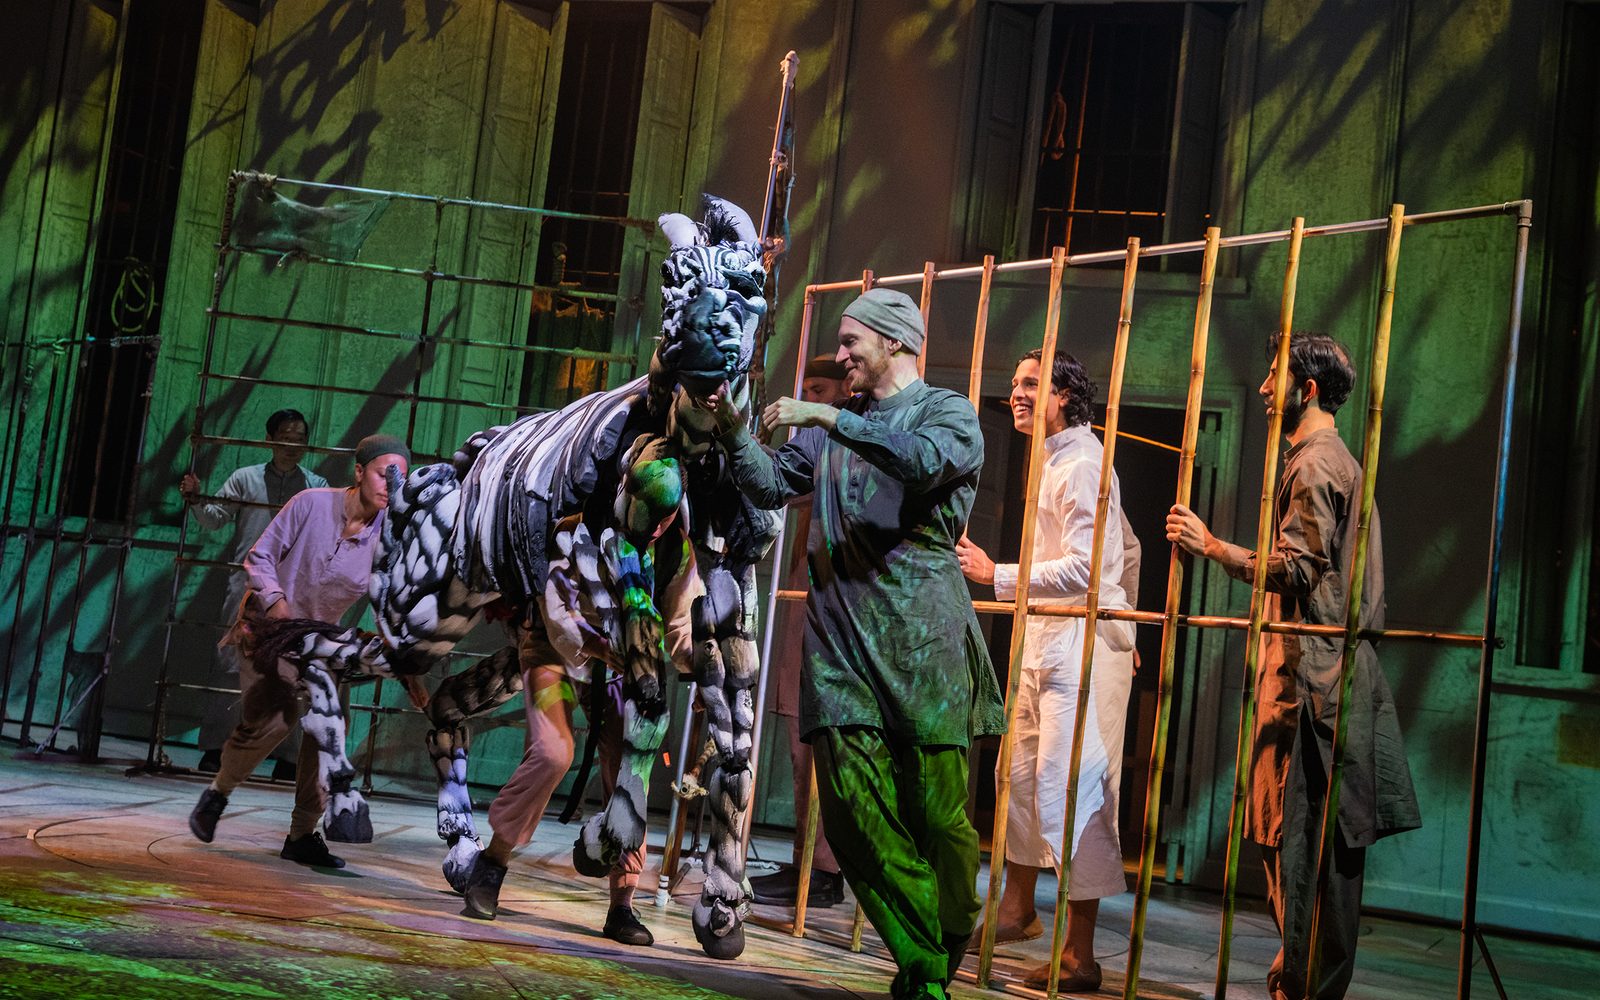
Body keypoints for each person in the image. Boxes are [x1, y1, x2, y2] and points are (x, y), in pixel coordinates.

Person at [703, 288, 1006, 1000]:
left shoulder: (948, 414)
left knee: (937, 818)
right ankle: (926, 965)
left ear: (896, 342)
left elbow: (922, 463)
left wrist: (830, 417)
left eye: (851, 343)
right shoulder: (834, 424)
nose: (840, 357)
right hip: (841, 642)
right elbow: (775, 484)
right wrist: (730, 431)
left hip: (922, 644)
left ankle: (946, 928)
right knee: (848, 807)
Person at [1165, 333, 1420, 1000]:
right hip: (1324, 679)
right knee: (1307, 854)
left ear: (1306, 389)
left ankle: (1300, 991)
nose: (1263, 390)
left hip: (1314, 688)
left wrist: (1212, 545)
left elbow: (1298, 568)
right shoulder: (1334, 459)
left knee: (1303, 854)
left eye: (1275, 376)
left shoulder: (1313, 464)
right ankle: (1300, 984)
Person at [956, 350, 1141, 992]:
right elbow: (1122, 548)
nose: (1017, 393)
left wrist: (996, 574)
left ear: (1066, 394)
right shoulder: (1058, 459)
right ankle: (1017, 910)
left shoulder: (1084, 462)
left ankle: (1079, 957)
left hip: (1075, 649)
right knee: (1023, 782)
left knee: (1072, 795)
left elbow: (1091, 574)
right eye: (1014, 383)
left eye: (1032, 383)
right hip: (1046, 645)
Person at [187, 434, 416, 870]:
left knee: (326, 732)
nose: (391, 484)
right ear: (358, 472)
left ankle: (302, 834)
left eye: (399, 476)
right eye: (382, 473)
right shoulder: (311, 503)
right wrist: (279, 607)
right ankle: (218, 791)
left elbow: (391, 599)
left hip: (322, 642)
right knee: (275, 721)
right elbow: (261, 556)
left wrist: (403, 662)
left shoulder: (389, 537)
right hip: (268, 629)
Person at [749, 354, 852, 909]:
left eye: (818, 389)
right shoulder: (816, 439)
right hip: (801, 598)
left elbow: (783, 485)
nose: (808, 398)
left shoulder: (841, 439)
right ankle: (809, 863)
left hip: (828, 604)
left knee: (820, 742)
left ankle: (824, 868)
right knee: (799, 744)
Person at [179, 408, 328, 775]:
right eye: (285, 438)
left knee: (293, 668)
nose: (293, 446)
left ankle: (288, 757)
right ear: (269, 440)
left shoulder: (317, 486)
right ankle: (217, 747)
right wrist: (196, 499)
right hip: (246, 586)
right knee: (232, 663)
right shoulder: (245, 479)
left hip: (294, 591)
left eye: (299, 439)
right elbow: (214, 518)